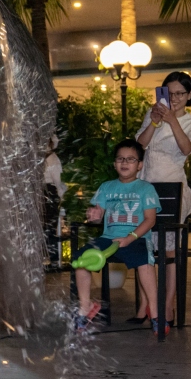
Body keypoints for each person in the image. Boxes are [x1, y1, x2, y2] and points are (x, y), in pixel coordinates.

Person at [134, 71, 191, 324]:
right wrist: (153, 122)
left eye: (179, 93)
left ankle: (168, 304)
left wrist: (172, 120)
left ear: (189, 95)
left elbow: (187, 149)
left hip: (172, 190)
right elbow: (138, 146)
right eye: (169, 93)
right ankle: (146, 303)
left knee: (170, 250)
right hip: (146, 187)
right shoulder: (152, 115)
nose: (174, 98)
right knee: (145, 248)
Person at [73, 139, 162, 333]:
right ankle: (86, 307)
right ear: (114, 164)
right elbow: (98, 216)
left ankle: (155, 312)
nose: (124, 162)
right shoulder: (106, 187)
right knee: (81, 261)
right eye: (120, 158)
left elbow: (150, 220)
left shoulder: (145, 188)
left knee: (144, 263)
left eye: (130, 159)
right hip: (108, 239)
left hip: (136, 238)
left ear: (140, 165)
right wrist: (94, 217)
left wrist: (130, 238)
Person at [43, 135, 67, 270]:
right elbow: (59, 183)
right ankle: (51, 260)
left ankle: (52, 260)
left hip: (47, 194)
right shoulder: (49, 159)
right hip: (46, 194)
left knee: (48, 228)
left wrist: (62, 200)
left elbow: (58, 183)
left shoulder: (51, 160)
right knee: (47, 228)